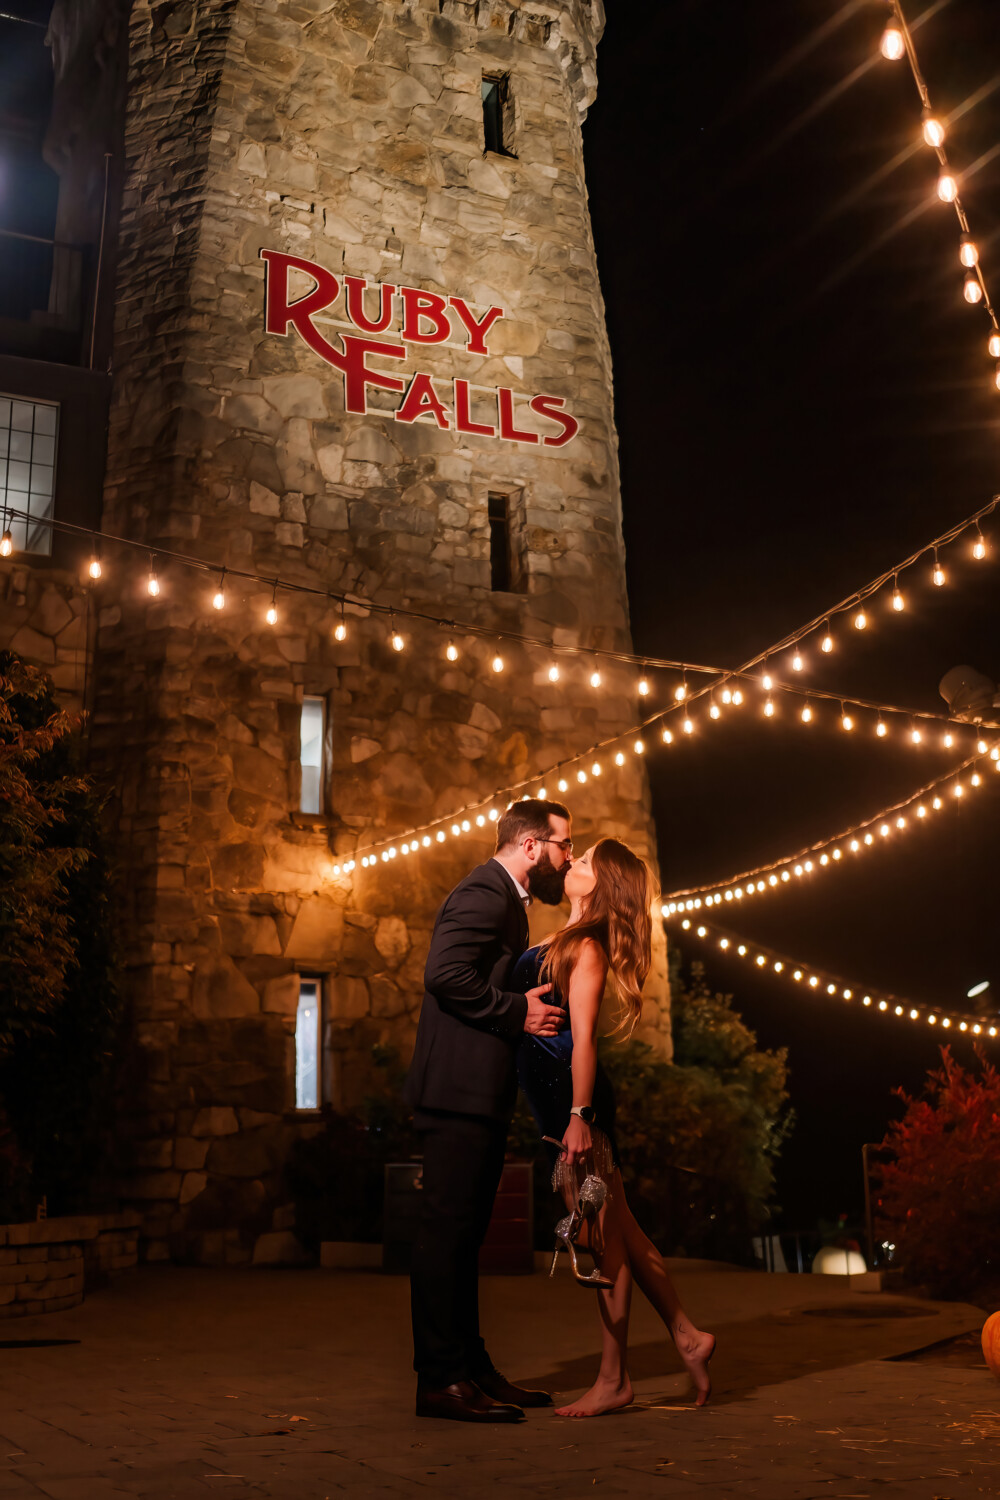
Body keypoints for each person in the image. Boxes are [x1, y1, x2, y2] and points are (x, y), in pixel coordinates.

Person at [515, 838, 716, 1418]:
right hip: (559, 1106)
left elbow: (584, 1042)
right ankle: (686, 1336)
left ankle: (613, 1378)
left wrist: (578, 1118)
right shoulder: (563, 938)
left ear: (601, 885)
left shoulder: (587, 949)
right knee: (620, 1230)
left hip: (575, 1111)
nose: (572, 864)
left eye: (585, 863)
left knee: (600, 1240)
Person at [406, 798, 573, 1423]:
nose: (567, 857)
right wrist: (517, 1012)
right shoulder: (485, 892)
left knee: (464, 1238)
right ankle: (440, 1380)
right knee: (446, 1236)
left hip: (474, 1094)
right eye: (563, 845)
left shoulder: (508, 900)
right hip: (455, 1093)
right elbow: (443, 974)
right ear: (530, 846)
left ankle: (470, 1369)